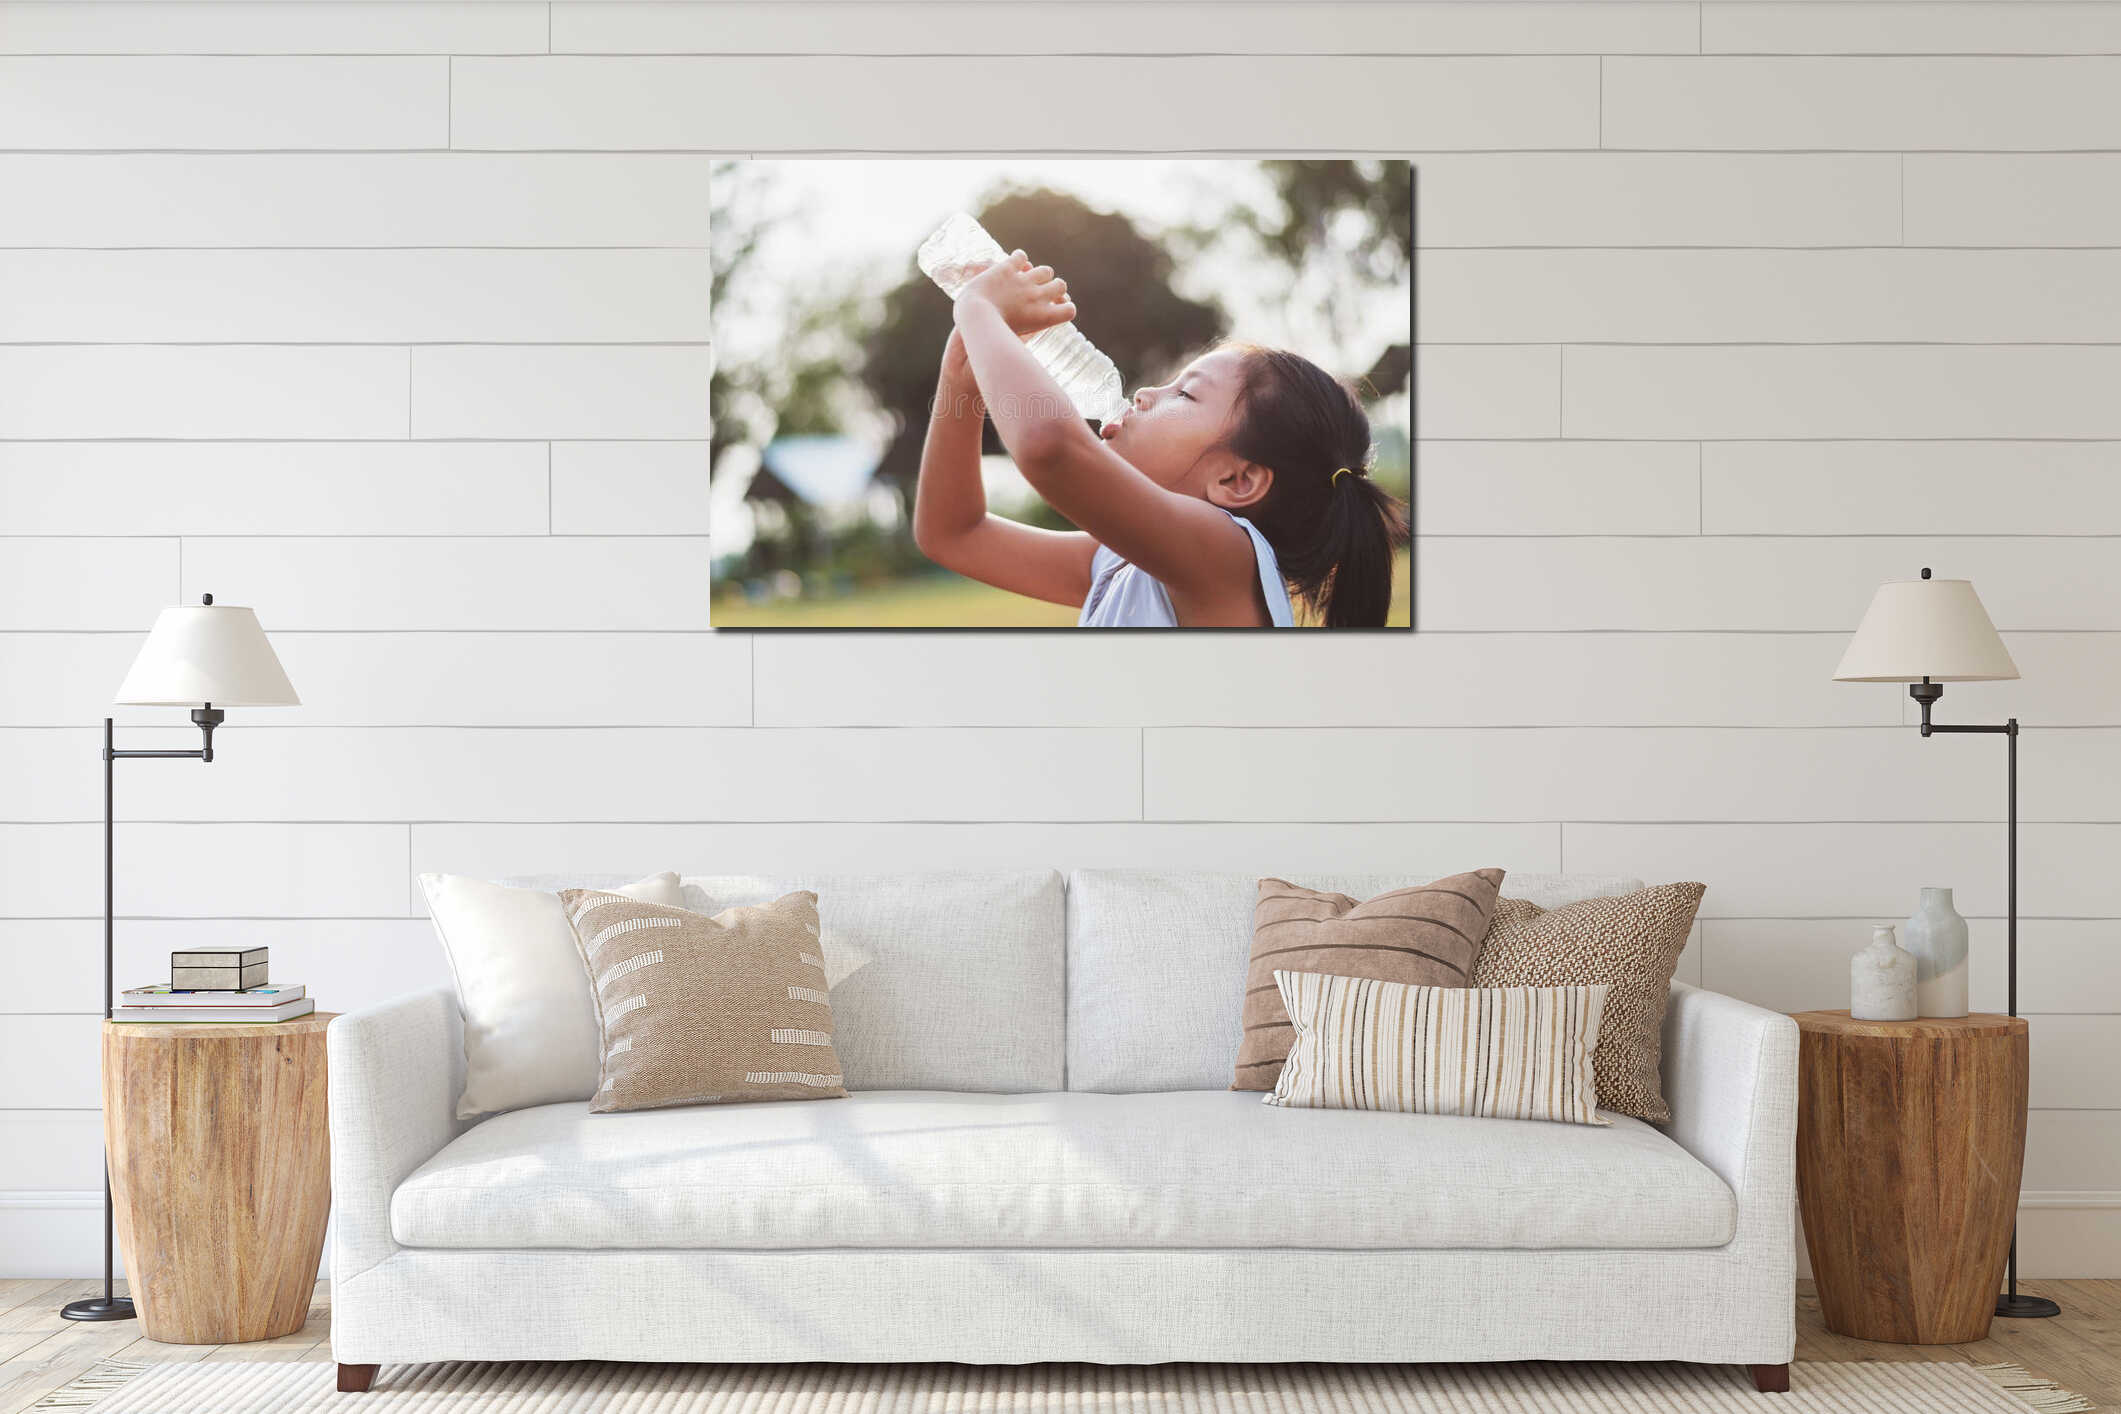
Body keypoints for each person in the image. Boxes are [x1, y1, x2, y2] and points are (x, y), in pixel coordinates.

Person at [912, 250, 1409, 629]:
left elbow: (1050, 449)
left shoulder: (1226, 555)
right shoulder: (1120, 561)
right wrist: (961, 377)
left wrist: (979, 312)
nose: (1147, 392)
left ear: (1237, 480)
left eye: (1186, 394)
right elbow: (952, 534)